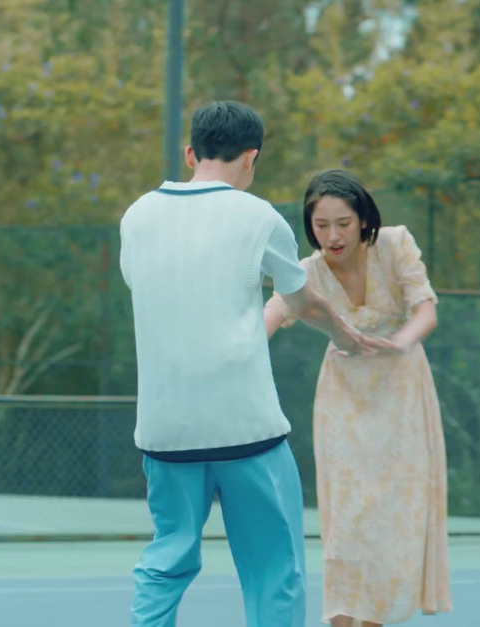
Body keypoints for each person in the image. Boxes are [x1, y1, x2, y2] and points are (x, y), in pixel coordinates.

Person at [120, 101, 374, 627]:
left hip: (165, 434)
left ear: (190, 153)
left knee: (166, 562)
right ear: (251, 158)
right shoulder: (258, 216)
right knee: (274, 573)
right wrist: (344, 334)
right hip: (247, 432)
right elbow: (302, 304)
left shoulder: (137, 215)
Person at [264, 169, 452, 627]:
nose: (332, 235)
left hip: (403, 392)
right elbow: (275, 312)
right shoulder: (305, 272)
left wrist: (402, 342)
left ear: (364, 219)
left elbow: (424, 308)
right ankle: (343, 620)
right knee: (347, 522)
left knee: (394, 516)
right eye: (321, 224)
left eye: (343, 223)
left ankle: (376, 620)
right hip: (343, 398)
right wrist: (238, 349)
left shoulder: (394, 244)